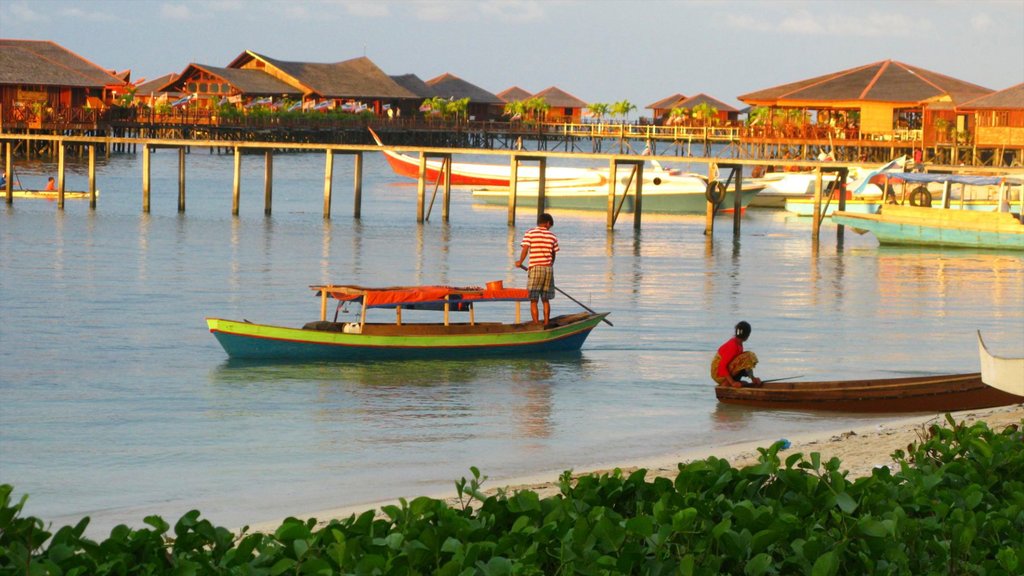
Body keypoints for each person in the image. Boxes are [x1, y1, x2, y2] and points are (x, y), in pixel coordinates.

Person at [515, 213, 559, 325]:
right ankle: (546, 323)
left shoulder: (530, 233)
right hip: (548, 269)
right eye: (550, 225)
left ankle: (535, 324)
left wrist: (520, 262)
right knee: (545, 299)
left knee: (533, 299)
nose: (550, 227)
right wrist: (550, 264)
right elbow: (553, 254)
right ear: (548, 223)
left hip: (535, 268)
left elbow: (525, 249)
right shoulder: (552, 236)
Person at [711, 321, 761, 388]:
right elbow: (721, 367)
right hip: (718, 373)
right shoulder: (733, 346)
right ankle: (726, 383)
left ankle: (729, 382)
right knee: (748, 356)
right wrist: (733, 383)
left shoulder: (739, 344)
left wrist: (753, 378)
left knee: (745, 382)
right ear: (747, 336)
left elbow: (744, 364)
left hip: (725, 370)